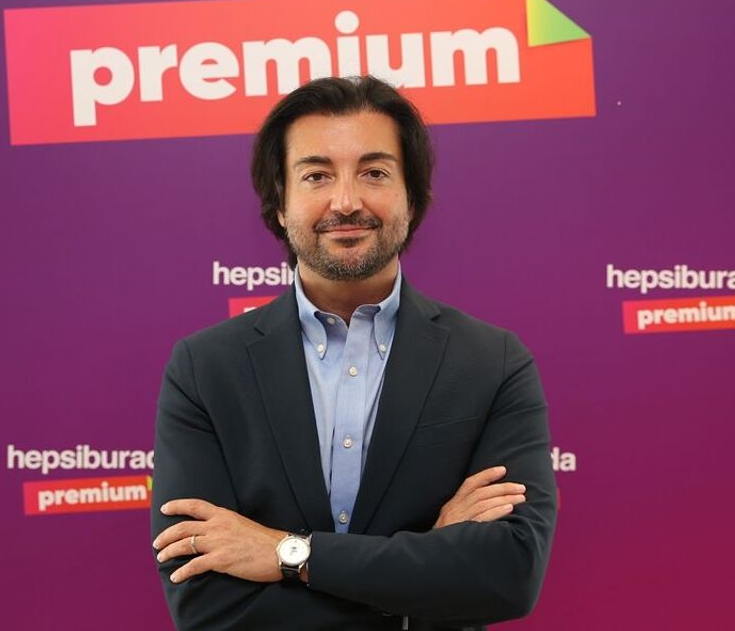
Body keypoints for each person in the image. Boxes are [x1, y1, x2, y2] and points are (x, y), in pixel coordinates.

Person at [150, 76, 556, 630]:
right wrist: (422, 569)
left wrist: (286, 554)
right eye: (316, 175)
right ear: (280, 202)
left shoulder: (493, 362)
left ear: (412, 196)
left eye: (374, 173)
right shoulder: (205, 369)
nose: (346, 201)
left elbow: (507, 574)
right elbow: (206, 606)